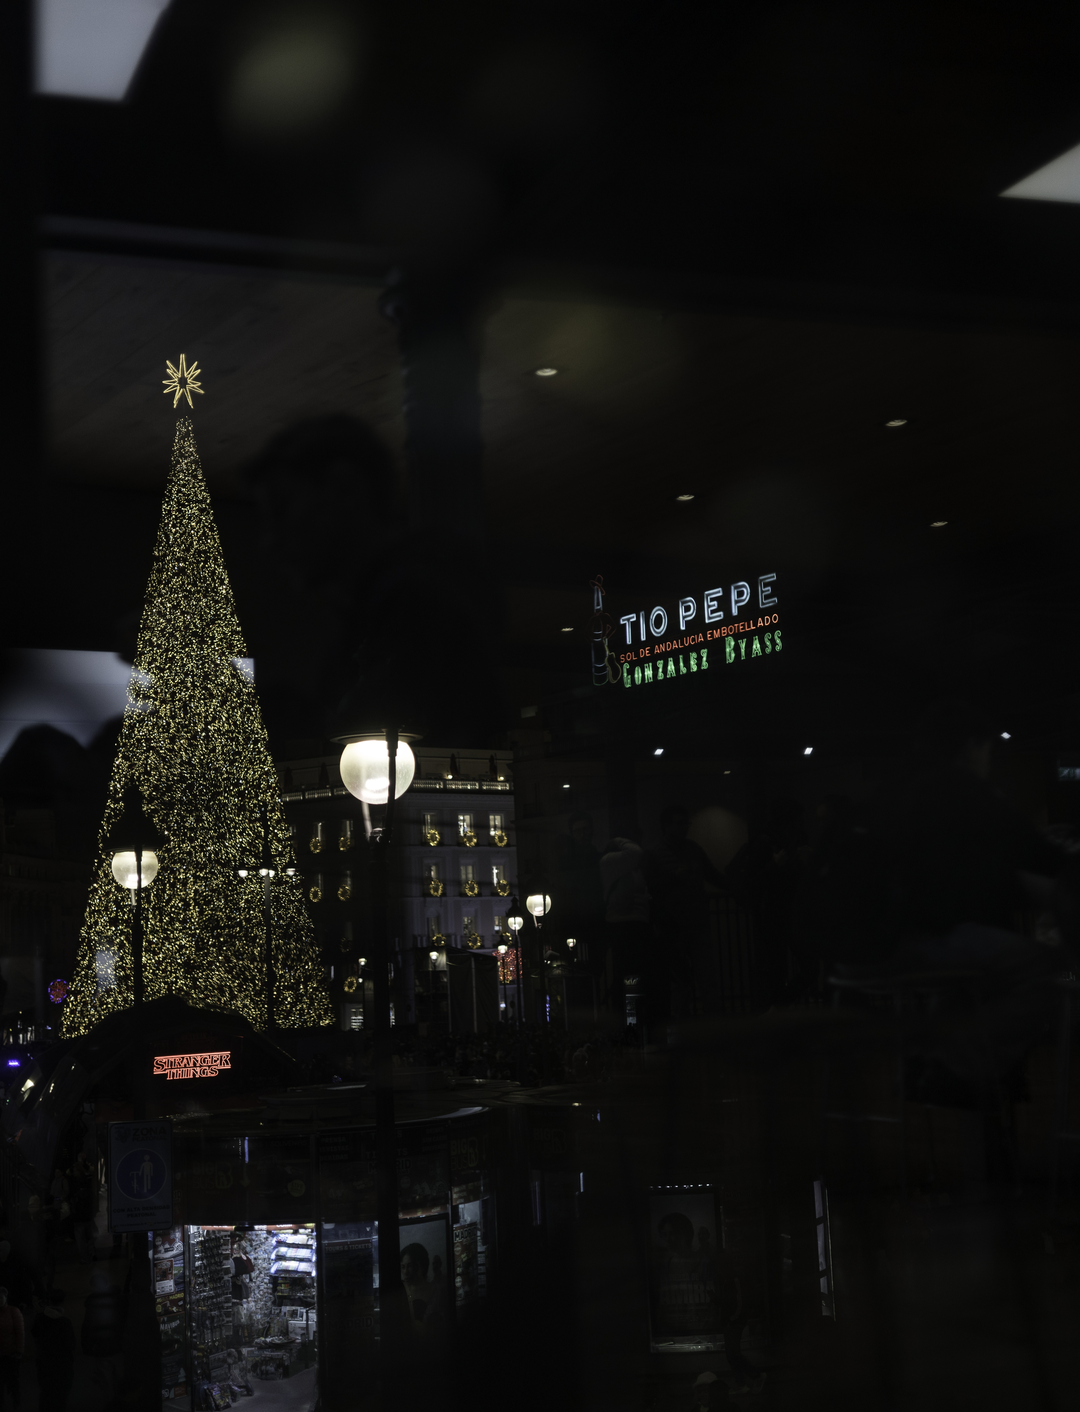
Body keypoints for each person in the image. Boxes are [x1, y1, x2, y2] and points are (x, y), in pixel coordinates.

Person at [646, 806, 727, 1018]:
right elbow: (651, 886)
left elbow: (651, 887)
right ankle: (710, 1026)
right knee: (694, 981)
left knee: (687, 982)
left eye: (685, 823)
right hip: (678, 927)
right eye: (680, 823)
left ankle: (684, 1028)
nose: (684, 828)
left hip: (684, 925)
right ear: (666, 826)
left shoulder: (661, 852)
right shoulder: (686, 850)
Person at [599, 837, 652, 1038]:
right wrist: (619, 839)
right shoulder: (613, 862)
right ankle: (632, 1024)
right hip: (628, 927)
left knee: (629, 978)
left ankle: (630, 1024)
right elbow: (635, 851)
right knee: (631, 977)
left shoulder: (620, 867)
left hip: (627, 926)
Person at [32, 1289, 75, 1412]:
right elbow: (71, 1344)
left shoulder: (40, 1319)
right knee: (61, 1394)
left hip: (45, 1361)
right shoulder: (65, 1322)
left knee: (46, 1393)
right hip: (62, 1363)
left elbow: (34, 1334)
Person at [70, 1155, 97, 1265]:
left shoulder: (74, 1184)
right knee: (90, 1236)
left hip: (79, 1217)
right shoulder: (88, 1180)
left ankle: (85, 1258)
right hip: (88, 1215)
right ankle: (92, 1253)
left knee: (81, 1239)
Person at [0, 1287, 24, 1411]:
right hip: (6, 1353)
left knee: (13, 1380)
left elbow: (20, 1332)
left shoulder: (13, 1311)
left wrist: (19, 1350)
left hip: (11, 1353)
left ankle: (16, 1401)